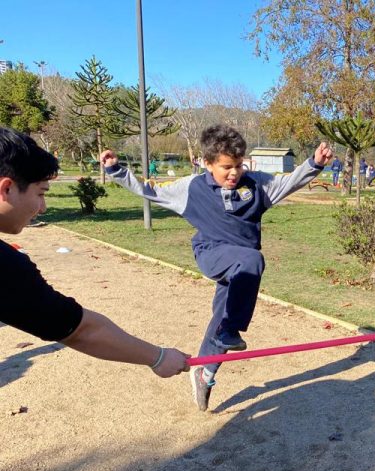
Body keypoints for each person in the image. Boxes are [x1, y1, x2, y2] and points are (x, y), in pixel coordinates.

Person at [101, 124, 333, 411]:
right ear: (208, 163)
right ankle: (230, 329)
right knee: (251, 264)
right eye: (226, 167)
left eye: (238, 165)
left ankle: (205, 372)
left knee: (222, 319)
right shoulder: (191, 188)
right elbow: (150, 190)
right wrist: (116, 170)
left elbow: (288, 183)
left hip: (240, 267)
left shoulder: (256, 185)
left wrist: (314, 164)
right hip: (211, 253)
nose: (234, 172)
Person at [0, 128, 190, 380]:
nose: (43, 208)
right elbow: (81, 330)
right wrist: (159, 357)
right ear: (7, 188)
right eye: (41, 193)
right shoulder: (6, 267)